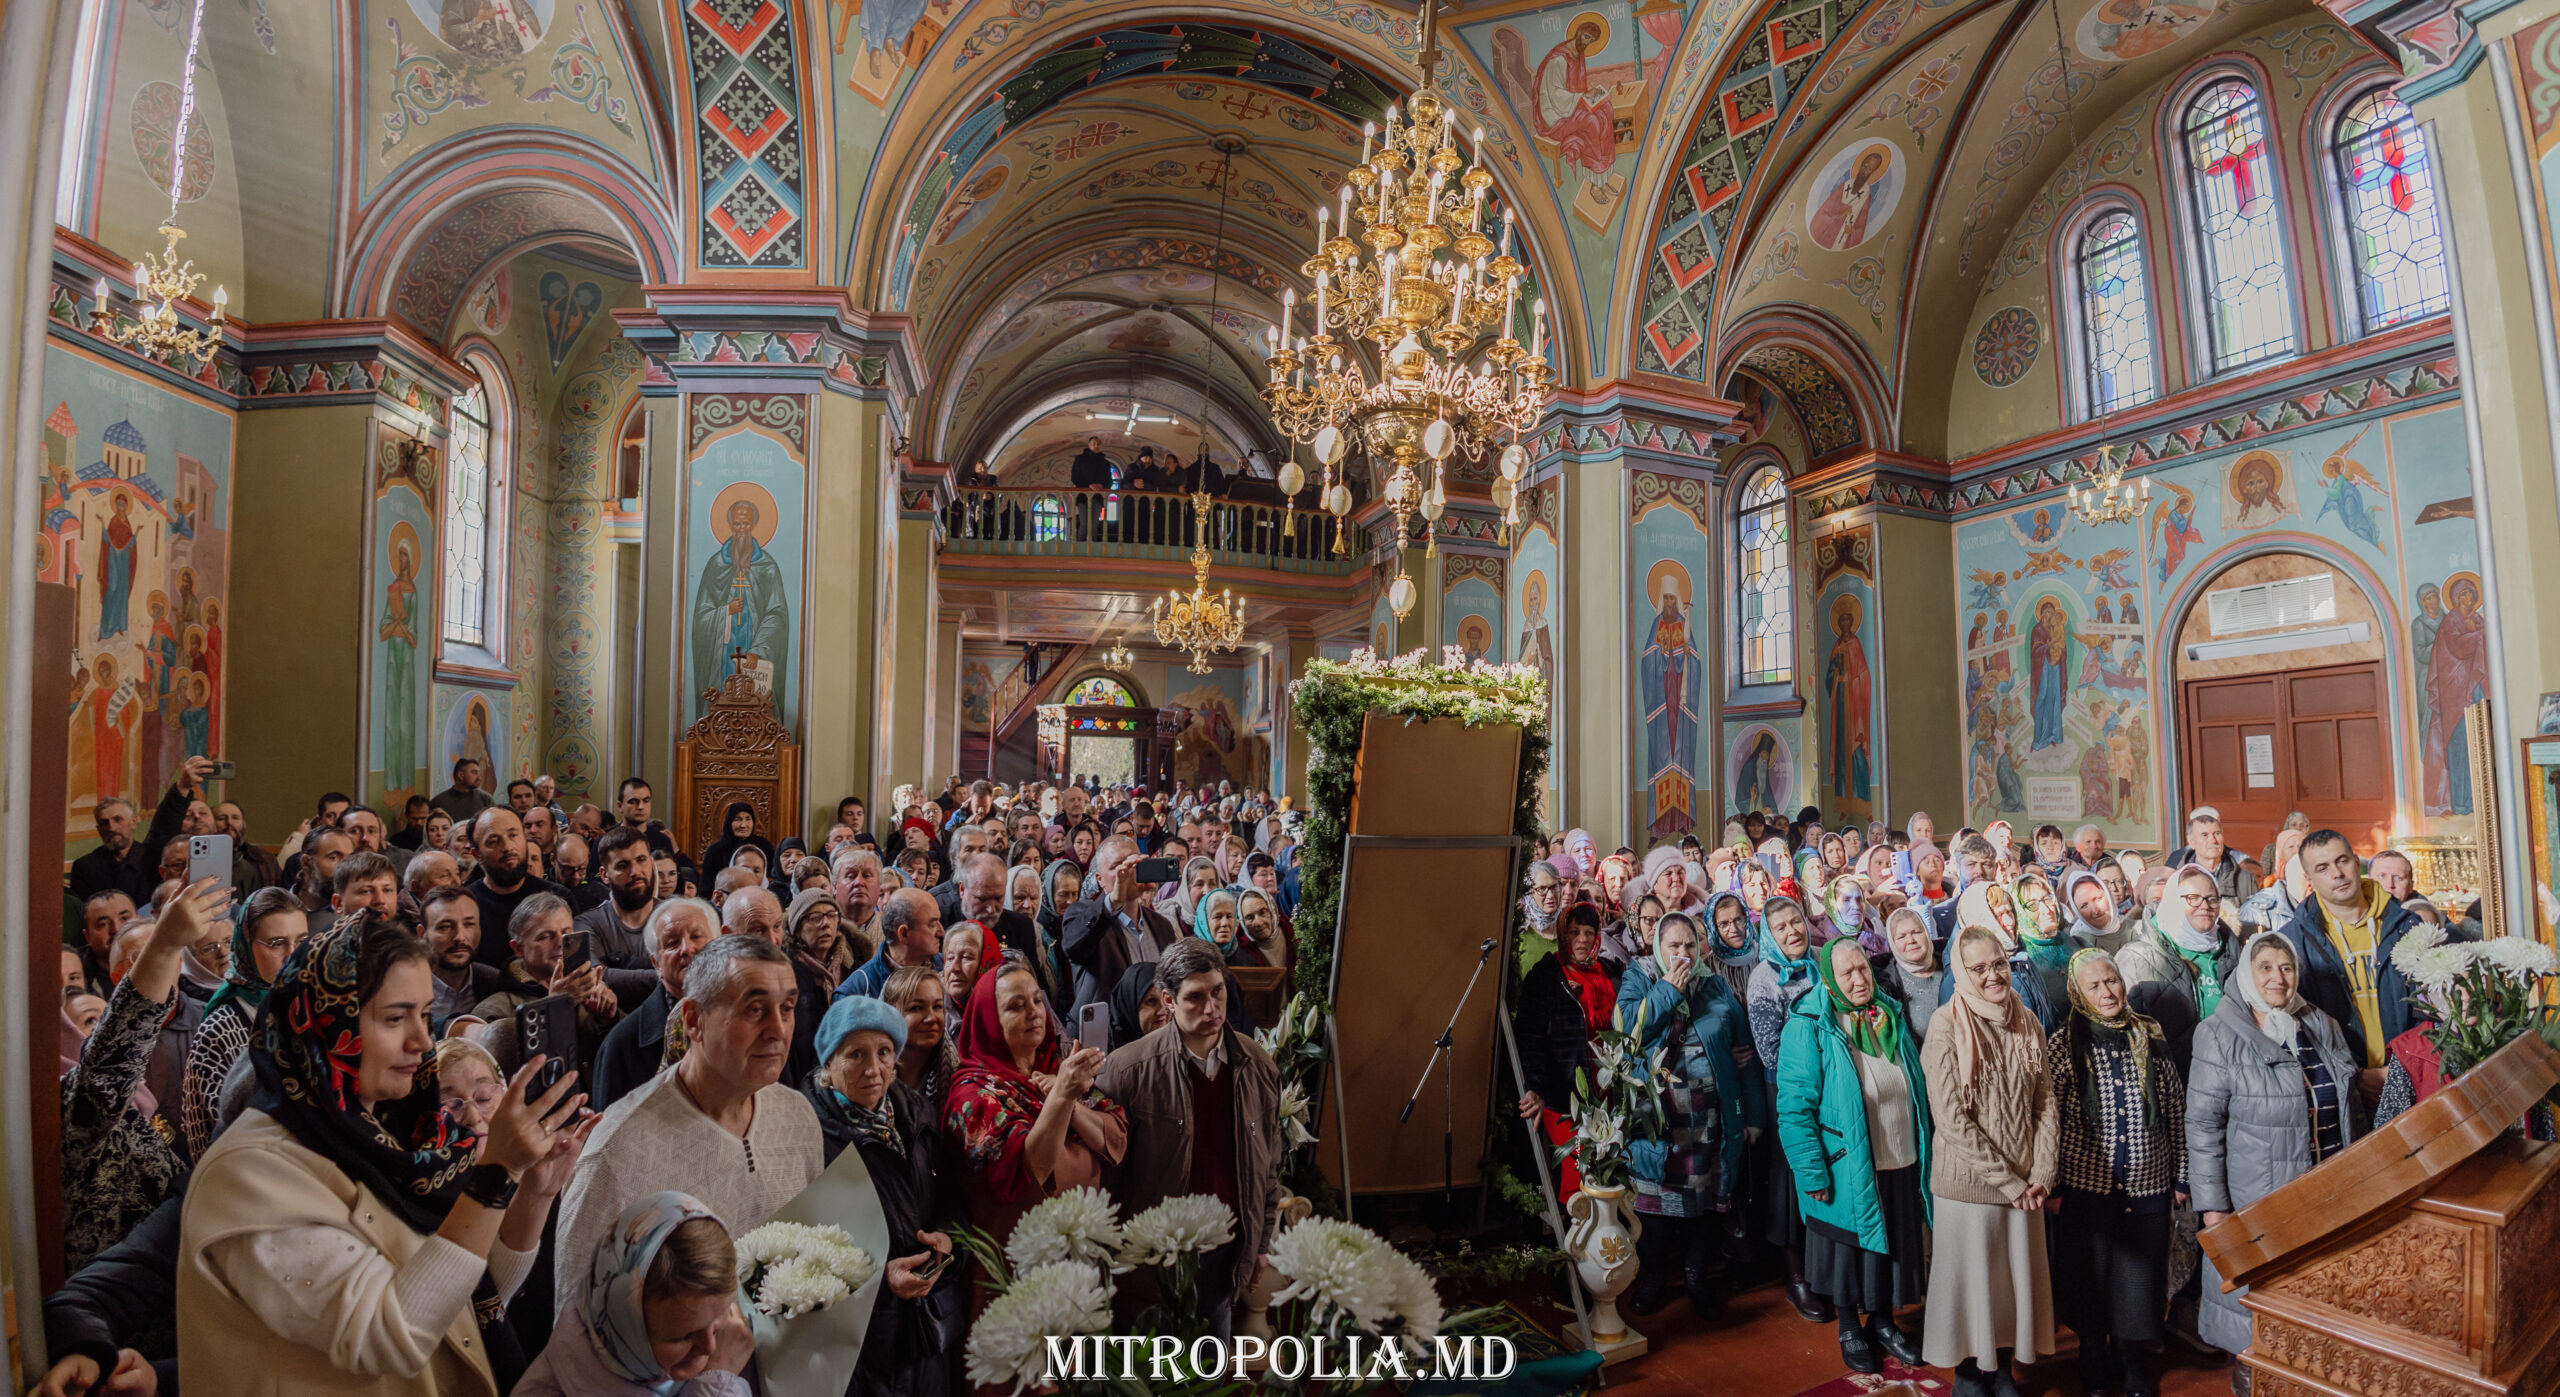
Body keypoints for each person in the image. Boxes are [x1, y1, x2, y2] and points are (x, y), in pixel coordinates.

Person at [177, 909, 593, 1396]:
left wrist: (534, 1192)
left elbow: (465, 1295)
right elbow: (386, 1338)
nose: (422, 1040)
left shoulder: (401, 1137)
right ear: (325, 1024)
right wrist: (496, 1173)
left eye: (424, 1014)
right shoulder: (250, 1173)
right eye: (395, 1018)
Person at [556, 934, 827, 1319]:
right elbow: (577, 1324)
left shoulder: (797, 1114)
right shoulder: (616, 1152)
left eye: (787, 1008)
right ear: (694, 1020)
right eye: (754, 1010)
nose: (778, 1030)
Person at [2187, 932, 2359, 1359]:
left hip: (2328, 1188)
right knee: (2261, 1319)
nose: (2277, 978)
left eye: (2286, 967)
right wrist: (2213, 1208)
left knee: (2318, 1308)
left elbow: (2349, 1101)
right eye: (2265, 967)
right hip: (2259, 1197)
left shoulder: (2320, 1024)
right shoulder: (2218, 1034)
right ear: (2247, 973)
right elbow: (2203, 1126)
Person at [1097, 939, 1280, 1339]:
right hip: (1152, 1257)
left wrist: (1260, 1243)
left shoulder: (1257, 1065)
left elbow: (1268, 1165)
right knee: (1149, 1366)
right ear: (1169, 1001)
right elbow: (1108, 1180)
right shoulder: (1127, 1070)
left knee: (1210, 1362)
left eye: (1218, 992)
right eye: (1196, 997)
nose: (1212, 1008)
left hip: (1226, 1248)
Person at [1778, 938, 1931, 1374]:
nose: (1859, 979)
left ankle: (1883, 1322)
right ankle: (1849, 1325)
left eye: (1863, 969)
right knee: (1847, 1251)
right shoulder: (1810, 1024)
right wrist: (1811, 1172)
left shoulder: (1886, 1013)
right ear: (1828, 979)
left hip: (1898, 1153)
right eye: (1847, 973)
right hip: (1844, 1161)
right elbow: (1794, 1108)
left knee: (1891, 1243)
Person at [1921, 926, 2060, 1397]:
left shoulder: (2027, 1021)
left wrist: (2042, 1172)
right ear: (1962, 973)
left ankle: (2001, 1370)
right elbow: (1950, 1119)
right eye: (1979, 968)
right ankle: (1967, 1373)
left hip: (2025, 1184)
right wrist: (2009, 1182)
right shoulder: (1945, 1024)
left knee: (2009, 1286)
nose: (1992, 975)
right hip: (1970, 1186)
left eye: (1998, 963)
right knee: (1970, 1287)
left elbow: (2044, 1102)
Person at [797, 997, 962, 1395]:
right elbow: (796, 1251)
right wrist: (880, 1279)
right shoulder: (806, 1134)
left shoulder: (917, 1113)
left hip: (924, 1329)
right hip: (858, 1345)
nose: (874, 1069)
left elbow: (951, 1198)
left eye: (884, 1052)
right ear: (829, 1063)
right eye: (856, 1054)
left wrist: (946, 1238)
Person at [65, 876, 226, 1269]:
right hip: (120, 1287)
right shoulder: (78, 1103)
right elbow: (110, 1065)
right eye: (90, 1024)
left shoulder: (205, 1020)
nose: (100, 1031)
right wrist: (165, 944)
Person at [2047, 950, 2185, 1397]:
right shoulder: (2064, 1043)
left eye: (2112, 981)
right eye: (2095, 986)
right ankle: (2092, 1352)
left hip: (2148, 1183)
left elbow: (2174, 1107)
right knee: (2089, 1278)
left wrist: (2182, 1176)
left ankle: (2130, 1358)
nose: (2107, 992)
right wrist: (2054, 1185)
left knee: (2138, 1281)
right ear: (2078, 993)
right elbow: (2051, 1121)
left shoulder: (2149, 1033)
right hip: (2085, 1187)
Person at [1617, 911, 1762, 1320]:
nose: (1682, 954)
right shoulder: (1641, 977)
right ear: (1658, 948)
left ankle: (1696, 1278)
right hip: (1659, 1122)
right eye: (1673, 946)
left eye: (1689, 945)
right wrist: (1667, 989)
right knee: (1654, 1208)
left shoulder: (1713, 983)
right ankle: (1652, 1280)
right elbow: (1626, 1028)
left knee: (1703, 1208)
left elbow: (1744, 1052)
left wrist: (1751, 1115)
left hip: (1711, 1120)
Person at [945, 961, 1126, 1256]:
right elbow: (1027, 1176)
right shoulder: (974, 1095)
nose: (1034, 1013)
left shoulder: (1056, 1067)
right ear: (989, 1020)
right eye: (1016, 1006)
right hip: (1017, 1257)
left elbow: (1116, 1136)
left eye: (1037, 1000)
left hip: (1081, 1245)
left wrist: (1068, 1101)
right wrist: (1063, 1095)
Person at [512, 1193, 754, 1396]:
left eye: (717, 1318)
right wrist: (719, 1380)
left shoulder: (626, 1348)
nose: (710, 1347)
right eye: (681, 1338)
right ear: (626, 1329)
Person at [2280, 830, 2422, 1096]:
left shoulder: (2407, 926)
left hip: (2410, 1076)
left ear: (2357, 863)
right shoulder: (2293, 942)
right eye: (2322, 868)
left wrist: (2405, 1066)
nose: (2337, 873)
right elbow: (2300, 1028)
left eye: (2342, 861)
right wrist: (2353, 1074)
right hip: (2341, 1088)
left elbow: (2427, 1007)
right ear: (2309, 879)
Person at [180, 885, 307, 1158]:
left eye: (302, 940)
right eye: (277, 943)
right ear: (246, 945)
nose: (293, 954)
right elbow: (213, 1133)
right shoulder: (219, 1029)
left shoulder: (312, 1006)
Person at [588, 899, 721, 1111]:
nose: (687, 949)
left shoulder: (747, 1021)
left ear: (719, 946)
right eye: (672, 943)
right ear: (656, 963)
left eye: (696, 936)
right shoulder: (622, 1045)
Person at [1058, 835, 1180, 1014]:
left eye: (1133, 863)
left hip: (1154, 1024)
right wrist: (1113, 901)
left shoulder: (1162, 925)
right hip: (1104, 1028)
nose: (1127, 872)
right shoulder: (1083, 913)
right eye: (1118, 866)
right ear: (1100, 879)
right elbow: (1073, 948)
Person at [462, 808, 568, 972]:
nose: (507, 847)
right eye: (493, 841)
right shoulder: (466, 904)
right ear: (477, 855)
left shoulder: (559, 897)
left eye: (513, 835)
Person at [881, 964, 956, 1112]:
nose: (931, 1018)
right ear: (891, 1013)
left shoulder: (955, 1078)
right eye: (916, 1008)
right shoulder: (869, 1074)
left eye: (937, 1007)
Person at [1880, 906, 1946, 1041]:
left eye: (1916, 932)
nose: (1910, 940)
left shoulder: (1951, 963)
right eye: (1901, 937)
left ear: (1926, 933)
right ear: (1892, 943)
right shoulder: (1887, 985)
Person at [2166, 808, 2256, 903]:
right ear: (2191, 841)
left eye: (2217, 833)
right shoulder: (2176, 879)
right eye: (2204, 835)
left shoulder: (2245, 878)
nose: (2213, 840)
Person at [698, 802, 773, 878]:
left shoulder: (763, 846)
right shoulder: (715, 850)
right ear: (729, 822)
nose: (743, 825)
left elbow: (771, 876)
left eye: (748, 819)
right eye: (738, 819)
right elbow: (707, 883)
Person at [431, 757, 497, 825]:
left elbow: (495, 824)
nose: (479, 778)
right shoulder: (439, 802)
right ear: (460, 775)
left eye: (479, 773)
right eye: (474, 773)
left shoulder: (485, 799)